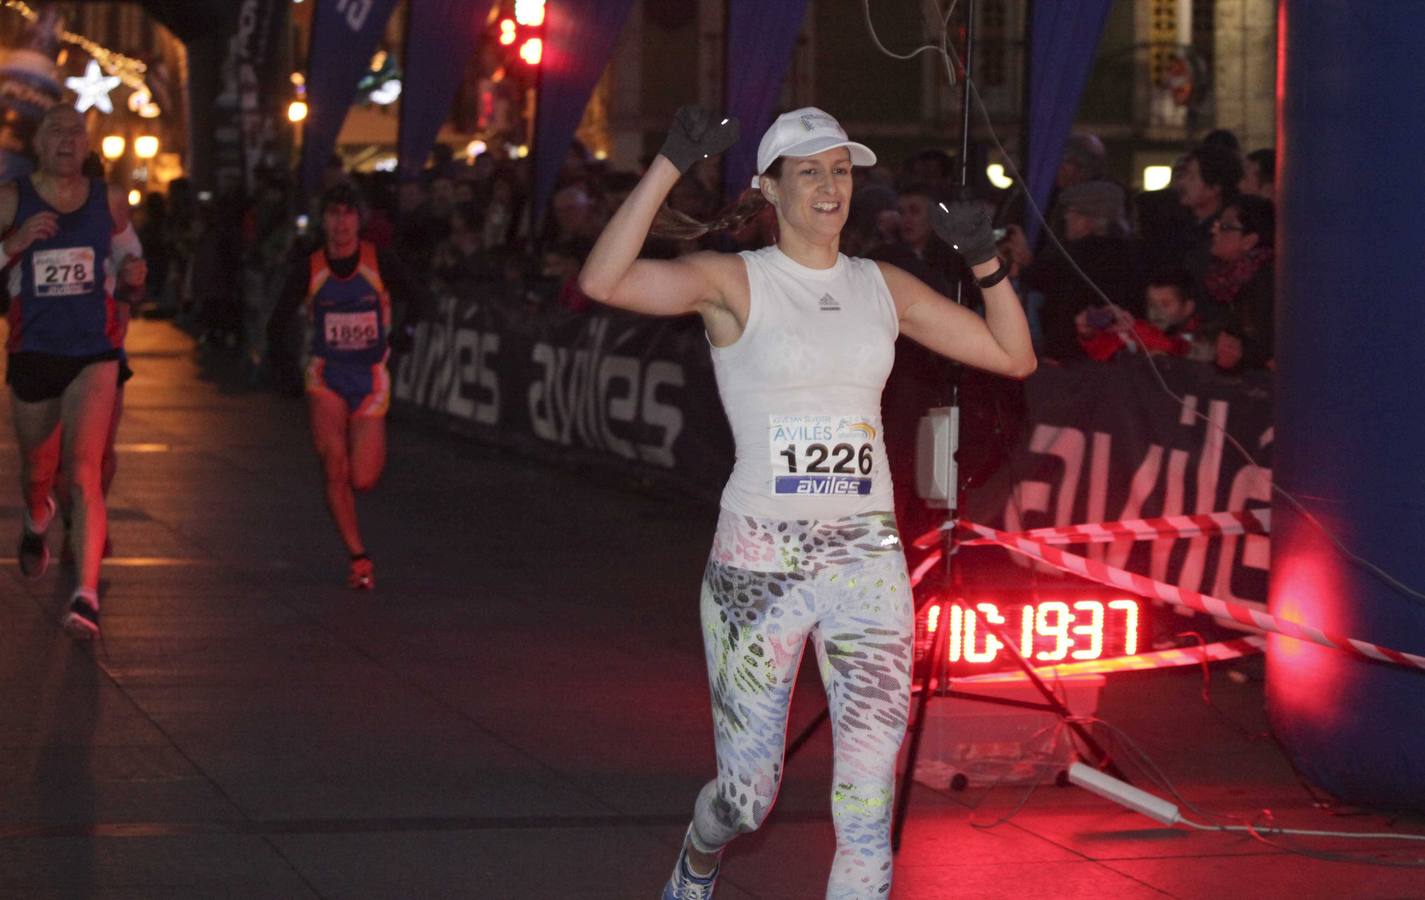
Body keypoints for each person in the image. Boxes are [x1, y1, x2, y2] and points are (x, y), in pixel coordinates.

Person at [578, 105, 1035, 899]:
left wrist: (986, 263)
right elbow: (602, 280)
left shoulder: (880, 284)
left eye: (842, 169)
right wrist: (664, 166)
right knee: (747, 800)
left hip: (865, 560)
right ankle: (699, 847)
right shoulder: (733, 279)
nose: (831, 186)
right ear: (768, 187)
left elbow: (1012, 355)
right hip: (760, 560)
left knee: (867, 800)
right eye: (811, 170)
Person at [2, 105, 146, 638]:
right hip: (34, 351)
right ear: (38, 144)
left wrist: (134, 271)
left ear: (88, 145)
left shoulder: (109, 201)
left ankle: (85, 595)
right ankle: (37, 516)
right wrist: (11, 246)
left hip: (94, 351)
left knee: (84, 469)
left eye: (76, 131)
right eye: (56, 130)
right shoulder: (12, 200)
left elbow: (132, 260)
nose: (67, 138)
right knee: (38, 472)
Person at [266, 183, 427, 589]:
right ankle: (359, 557)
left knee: (363, 479)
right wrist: (285, 371)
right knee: (335, 468)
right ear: (323, 221)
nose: (340, 224)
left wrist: (404, 331)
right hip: (327, 376)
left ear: (360, 219)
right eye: (333, 215)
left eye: (348, 214)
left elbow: (422, 300)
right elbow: (277, 321)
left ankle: (357, 537)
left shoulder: (379, 261)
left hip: (370, 378)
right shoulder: (310, 267)